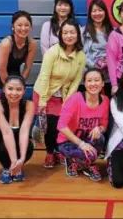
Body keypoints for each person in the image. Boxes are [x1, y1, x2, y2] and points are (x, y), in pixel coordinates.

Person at [33, 19, 86, 168]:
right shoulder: (52, 52)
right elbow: (44, 76)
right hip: (45, 93)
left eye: (72, 32)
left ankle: (59, 151)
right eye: (65, 32)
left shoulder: (80, 56)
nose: (69, 35)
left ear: (78, 34)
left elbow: (76, 81)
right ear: (60, 35)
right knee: (49, 125)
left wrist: (67, 102)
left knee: (61, 124)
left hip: (63, 96)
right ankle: (50, 152)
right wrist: (42, 101)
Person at [56, 68, 109, 182]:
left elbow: (104, 124)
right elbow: (61, 126)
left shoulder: (105, 101)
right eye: (89, 81)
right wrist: (81, 144)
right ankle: (74, 161)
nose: (93, 84)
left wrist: (99, 128)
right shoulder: (75, 99)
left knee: (100, 138)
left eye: (97, 80)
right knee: (91, 156)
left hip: (87, 139)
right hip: (68, 141)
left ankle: (80, 163)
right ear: (85, 84)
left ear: (102, 84)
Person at [0, 75, 34, 184]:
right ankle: (7, 168)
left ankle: (18, 166)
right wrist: (14, 161)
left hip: (17, 143)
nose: (14, 93)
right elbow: (6, 132)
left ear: (24, 91)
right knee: (1, 147)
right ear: (4, 89)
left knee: (29, 146)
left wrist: (21, 159)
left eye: (19, 89)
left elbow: (24, 131)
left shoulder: (29, 105)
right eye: (10, 89)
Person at [0, 11, 37, 91]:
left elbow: (27, 67)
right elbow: (1, 69)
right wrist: (9, 88)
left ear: (31, 27)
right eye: (19, 25)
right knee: (4, 100)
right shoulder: (6, 43)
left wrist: (21, 83)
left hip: (15, 73)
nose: (23, 28)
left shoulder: (32, 44)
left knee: (16, 98)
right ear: (13, 26)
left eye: (26, 25)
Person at [80, 0, 114, 96]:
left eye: (100, 10)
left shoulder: (112, 32)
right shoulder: (83, 32)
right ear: (90, 14)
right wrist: (94, 66)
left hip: (108, 77)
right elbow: (80, 53)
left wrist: (108, 62)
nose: (97, 13)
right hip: (90, 75)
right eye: (94, 11)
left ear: (105, 12)